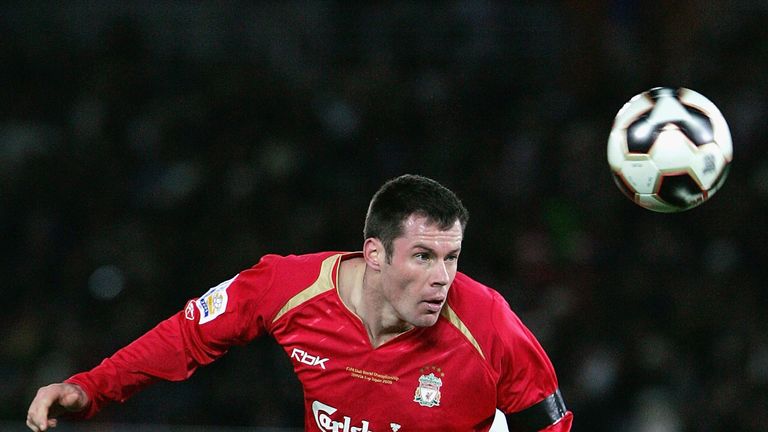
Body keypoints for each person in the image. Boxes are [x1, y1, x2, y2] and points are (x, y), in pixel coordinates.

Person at [26, 174, 573, 432]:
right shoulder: (288, 287)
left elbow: (549, 421)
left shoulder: (487, 321)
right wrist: (90, 388)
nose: (443, 278)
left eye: (452, 258)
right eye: (424, 256)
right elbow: (188, 335)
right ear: (374, 254)